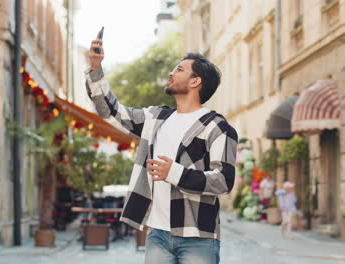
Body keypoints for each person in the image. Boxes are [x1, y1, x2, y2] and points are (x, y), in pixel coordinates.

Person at [86, 31, 238, 264]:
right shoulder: (156, 118)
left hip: (197, 235)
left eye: (179, 69)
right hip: (157, 234)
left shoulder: (217, 127)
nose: (171, 72)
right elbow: (112, 111)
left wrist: (174, 173)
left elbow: (224, 181)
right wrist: (96, 70)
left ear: (196, 81)